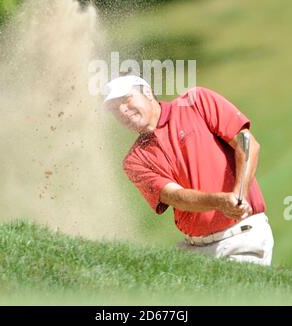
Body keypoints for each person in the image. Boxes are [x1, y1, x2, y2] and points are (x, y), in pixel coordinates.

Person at [104, 74, 274, 266]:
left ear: (148, 93)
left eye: (126, 100)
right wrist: (220, 202)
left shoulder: (196, 102)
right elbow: (175, 197)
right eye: (113, 109)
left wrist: (239, 195)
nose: (122, 111)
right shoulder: (135, 160)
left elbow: (247, 142)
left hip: (242, 238)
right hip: (195, 248)